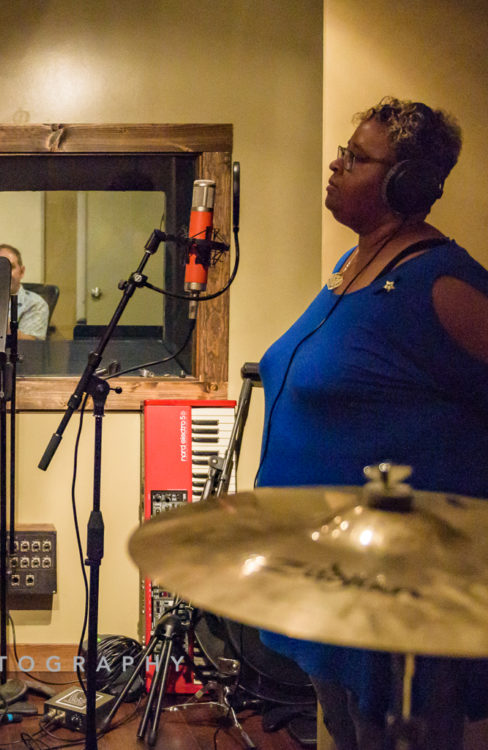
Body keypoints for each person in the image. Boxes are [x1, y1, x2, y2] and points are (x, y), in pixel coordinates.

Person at [254, 97, 488, 749]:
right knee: (345, 730)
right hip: (329, 579)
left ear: (404, 184)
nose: (335, 166)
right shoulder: (349, 272)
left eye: (354, 158)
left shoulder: (444, 285)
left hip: (395, 600)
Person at [0, 243, 49, 339]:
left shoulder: (35, 304)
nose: (4, 273)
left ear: (21, 272)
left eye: (11, 267)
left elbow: (31, 344)